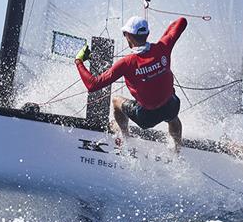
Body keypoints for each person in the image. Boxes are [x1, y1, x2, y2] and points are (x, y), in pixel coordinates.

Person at [75, 15, 187, 151]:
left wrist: (79, 61)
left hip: (146, 118)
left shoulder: (126, 63)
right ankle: (177, 149)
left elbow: (93, 85)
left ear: (129, 36)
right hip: (171, 106)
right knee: (172, 116)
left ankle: (124, 135)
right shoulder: (163, 46)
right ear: (147, 34)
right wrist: (162, 39)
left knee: (116, 101)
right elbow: (182, 21)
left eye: (125, 34)